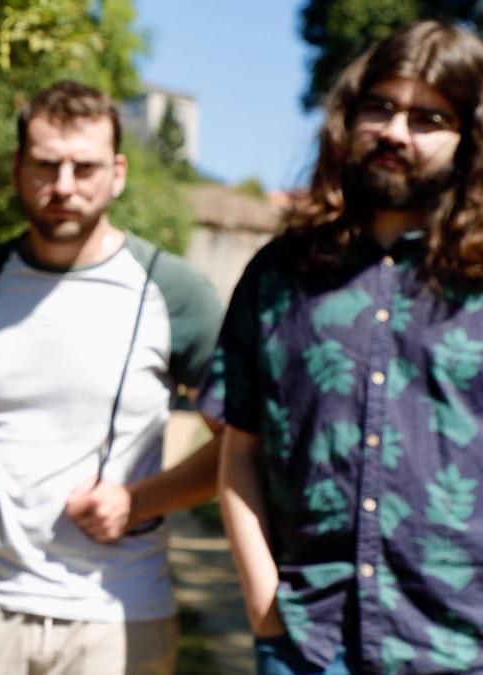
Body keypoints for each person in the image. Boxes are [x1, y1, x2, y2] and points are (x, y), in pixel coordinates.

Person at [0, 80, 224, 674]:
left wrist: (138, 500)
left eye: (85, 167)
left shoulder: (178, 294)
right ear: (17, 168)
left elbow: (239, 444)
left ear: (119, 172)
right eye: (46, 166)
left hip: (119, 617)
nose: (64, 187)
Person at [201, 21, 483, 674]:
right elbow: (238, 448)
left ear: (468, 138)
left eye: (427, 118)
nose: (394, 131)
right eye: (379, 107)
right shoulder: (279, 273)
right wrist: (262, 600)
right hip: (308, 641)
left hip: (461, 645)